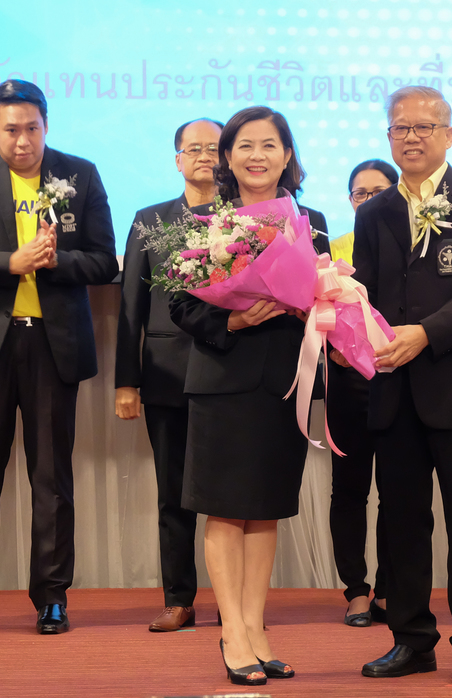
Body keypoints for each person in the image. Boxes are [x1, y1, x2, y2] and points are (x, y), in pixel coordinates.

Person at [0, 79, 118, 634]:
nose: (22, 141)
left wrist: (56, 262)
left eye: (32, 129)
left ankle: (52, 597)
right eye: (11, 130)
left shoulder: (79, 174)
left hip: (53, 346)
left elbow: (104, 260)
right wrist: (10, 262)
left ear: (46, 125)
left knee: (52, 479)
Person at [352, 86, 452, 686]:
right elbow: (366, 294)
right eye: (401, 128)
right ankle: (412, 639)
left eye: (424, 127)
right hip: (393, 388)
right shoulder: (373, 212)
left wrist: (426, 333)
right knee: (401, 519)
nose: (412, 137)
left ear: (448, 135)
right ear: (389, 137)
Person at [169, 105, 330, 686]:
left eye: (269, 145)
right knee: (225, 507)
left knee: (266, 510)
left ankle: (257, 630)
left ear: (287, 155)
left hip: (285, 379)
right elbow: (179, 304)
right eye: (245, 145)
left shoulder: (310, 221)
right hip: (223, 379)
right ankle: (232, 632)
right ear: (227, 157)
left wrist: (322, 302)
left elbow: (324, 292)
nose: (257, 156)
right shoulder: (204, 220)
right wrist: (231, 321)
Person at [115, 117, 223, 632]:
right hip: (167, 374)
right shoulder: (150, 220)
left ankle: (235, 599)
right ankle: (178, 598)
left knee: (232, 496)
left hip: (231, 374)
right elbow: (130, 308)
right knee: (173, 495)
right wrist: (126, 381)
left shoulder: (249, 218)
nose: (205, 156)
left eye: (214, 148)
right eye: (193, 149)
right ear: (177, 159)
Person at [328, 159, 398, 628]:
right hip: (347, 380)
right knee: (349, 490)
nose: (368, 201)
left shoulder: (413, 246)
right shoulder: (332, 250)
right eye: (360, 193)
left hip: (397, 376)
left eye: (379, 192)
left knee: (398, 489)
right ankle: (355, 590)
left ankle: (389, 589)